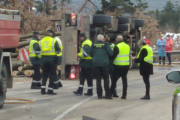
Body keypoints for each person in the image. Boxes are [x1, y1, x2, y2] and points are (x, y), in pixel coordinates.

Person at [91, 34, 113, 99]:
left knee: (98, 80)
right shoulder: (106, 44)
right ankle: (107, 94)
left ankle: (99, 95)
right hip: (105, 64)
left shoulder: (93, 44)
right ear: (103, 39)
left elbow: (90, 53)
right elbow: (111, 53)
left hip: (96, 64)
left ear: (97, 39)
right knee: (106, 79)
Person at [39, 30, 60, 95]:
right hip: (52, 60)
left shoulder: (41, 41)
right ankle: (50, 90)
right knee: (52, 75)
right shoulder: (53, 40)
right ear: (51, 34)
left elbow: (38, 50)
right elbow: (58, 50)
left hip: (44, 60)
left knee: (44, 75)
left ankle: (42, 90)